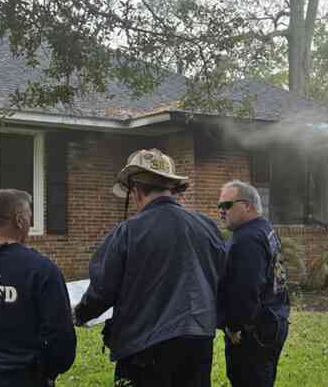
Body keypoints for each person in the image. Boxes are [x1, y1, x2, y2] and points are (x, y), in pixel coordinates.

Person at [73, 149, 225, 387]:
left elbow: (103, 289)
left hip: (145, 346)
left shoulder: (128, 232)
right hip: (198, 340)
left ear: (136, 192)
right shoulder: (207, 227)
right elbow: (221, 279)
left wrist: (81, 314)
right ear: (171, 188)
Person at [0, 189, 76, 387]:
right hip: (22, 378)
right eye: (29, 217)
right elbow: (61, 336)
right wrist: (48, 371)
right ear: (19, 220)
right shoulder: (42, 270)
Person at [218, 180, 290, 387]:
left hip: (253, 334)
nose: (222, 211)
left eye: (227, 205)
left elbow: (246, 291)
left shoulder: (246, 239)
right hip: (274, 320)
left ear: (247, 205)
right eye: (220, 206)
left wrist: (234, 326)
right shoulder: (264, 228)